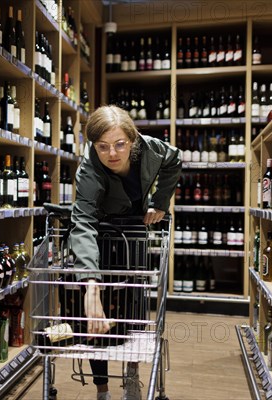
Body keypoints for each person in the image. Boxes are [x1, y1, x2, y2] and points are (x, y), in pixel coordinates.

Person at [69, 105, 181, 400]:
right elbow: (83, 221)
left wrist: (160, 202)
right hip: (102, 238)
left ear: (132, 140)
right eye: (102, 146)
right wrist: (90, 282)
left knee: (133, 310)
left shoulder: (152, 149)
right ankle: (102, 390)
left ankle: (132, 377)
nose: (112, 153)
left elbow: (175, 159)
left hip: (134, 234)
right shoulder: (90, 168)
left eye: (119, 144)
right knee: (96, 318)